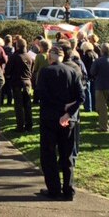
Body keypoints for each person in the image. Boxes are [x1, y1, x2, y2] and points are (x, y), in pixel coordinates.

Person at [36, 46, 84, 201]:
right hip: (67, 119)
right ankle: (69, 189)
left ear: (50, 58)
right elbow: (81, 97)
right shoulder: (73, 72)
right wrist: (68, 113)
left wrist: (60, 110)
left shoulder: (45, 72)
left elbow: (40, 94)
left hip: (50, 117)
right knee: (67, 155)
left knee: (48, 155)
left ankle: (54, 189)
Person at [5, 37, 34, 133]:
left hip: (17, 83)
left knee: (18, 106)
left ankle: (20, 126)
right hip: (28, 82)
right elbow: (32, 70)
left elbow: (8, 70)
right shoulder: (29, 57)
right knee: (27, 105)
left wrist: (8, 76)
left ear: (17, 46)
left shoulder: (14, 57)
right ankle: (29, 125)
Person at [90, 43, 109, 132]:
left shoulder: (98, 61)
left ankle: (103, 126)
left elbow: (92, 72)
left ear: (102, 51)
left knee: (102, 108)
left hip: (101, 86)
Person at [80, 42, 99, 112]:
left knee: (87, 92)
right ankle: (94, 106)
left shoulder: (85, 56)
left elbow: (84, 67)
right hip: (94, 76)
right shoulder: (96, 54)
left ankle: (88, 107)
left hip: (87, 76)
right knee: (93, 92)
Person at [32, 39, 51, 105]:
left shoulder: (39, 56)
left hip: (40, 76)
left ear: (42, 47)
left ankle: (36, 101)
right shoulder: (50, 55)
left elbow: (35, 68)